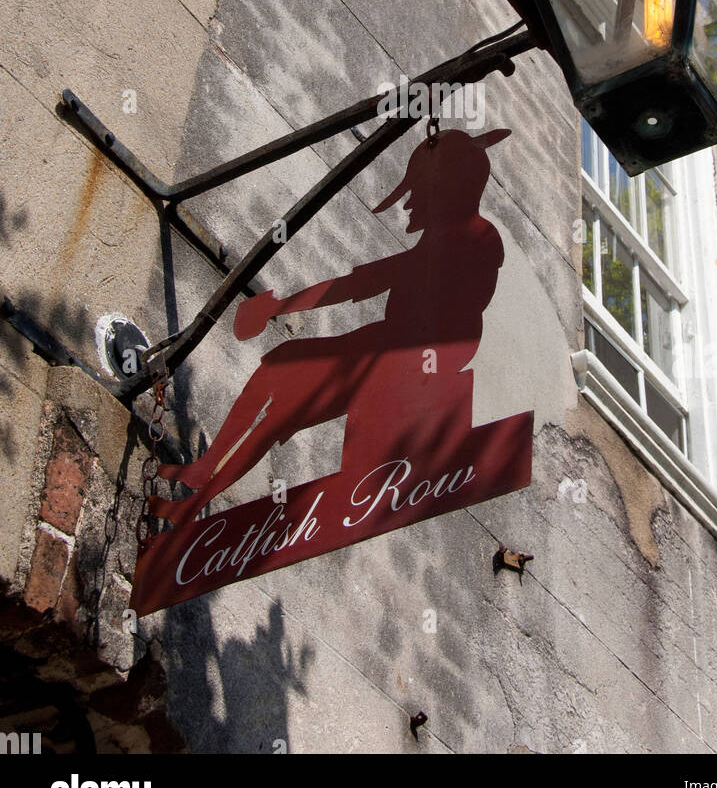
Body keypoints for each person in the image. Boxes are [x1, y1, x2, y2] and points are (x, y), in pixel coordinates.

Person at [150, 127, 511, 525]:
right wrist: (280, 307)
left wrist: (281, 307)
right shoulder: (441, 240)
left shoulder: (475, 240)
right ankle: (205, 469)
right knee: (280, 364)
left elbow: (372, 284)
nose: (409, 204)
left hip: (410, 364)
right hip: (387, 347)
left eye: (420, 189)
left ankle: (193, 507)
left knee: (283, 408)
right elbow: (362, 282)